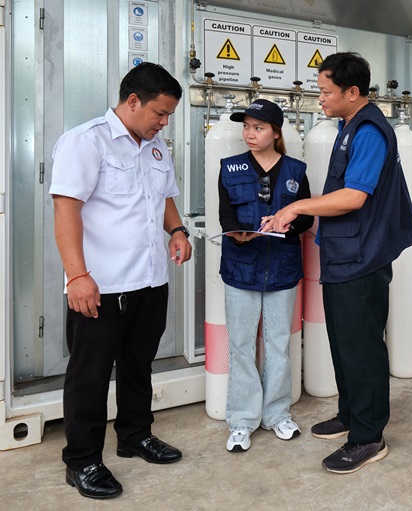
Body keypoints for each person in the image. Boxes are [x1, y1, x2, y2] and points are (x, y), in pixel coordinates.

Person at [263, 52, 412, 474]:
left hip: (362, 258)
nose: (320, 98)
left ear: (353, 92)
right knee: (344, 342)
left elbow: (354, 197)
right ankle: (351, 414)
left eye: (326, 91)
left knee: (362, 348)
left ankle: (368, 437)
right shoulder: (348, 125)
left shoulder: (368, 131)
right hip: (345, 254)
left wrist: (297, 207)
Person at [50, 62, 191, 499]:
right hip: (101, 285)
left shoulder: (155, 146)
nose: (164, 123)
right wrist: (77, 276)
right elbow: (66, 210)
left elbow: (163, 197)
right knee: (89, 375)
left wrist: (178, 230)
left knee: (138, 364)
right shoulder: (85, 141)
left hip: (150, 280)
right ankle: (82, 460)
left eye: (168, 116)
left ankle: (134, 435)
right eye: (160, 113)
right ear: (133, 101)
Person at [218, 99, 312, 452]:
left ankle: (277, 414)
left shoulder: (296, 170)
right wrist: (238, 234)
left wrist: (287, 225)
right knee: (241, 346)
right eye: (246, 127)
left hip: (282, 268)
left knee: (278, 345)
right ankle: (242, 421)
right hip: (241, 267)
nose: (250, 133)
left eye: (258, 127)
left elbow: (306, 217)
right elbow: (225, 214)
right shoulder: (230, 167)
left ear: (275, 132)